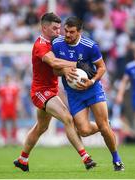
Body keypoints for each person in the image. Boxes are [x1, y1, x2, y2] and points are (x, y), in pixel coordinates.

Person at [13, 13, 96, 172]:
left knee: (41, 128)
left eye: (59, 28)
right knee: (67, 118)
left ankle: (23, 159)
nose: (59, 32)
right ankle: (86, 157)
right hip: (40, 92)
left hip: (51, 90)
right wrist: (78, 64)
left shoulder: (56, 43)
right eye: (55, 28)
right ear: (44, 28)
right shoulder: (41, 45)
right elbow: (53, 62)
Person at [52, 16, 124, 171]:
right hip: (73, 93)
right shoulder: (57, 44)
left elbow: (102, 68)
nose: (68, 35)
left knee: (104, 128)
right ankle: (104, 125)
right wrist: (64, 70)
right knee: (84, 131)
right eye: (66, 31)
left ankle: (117, 160)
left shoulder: (90, 46)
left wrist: (92, 81)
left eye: (71, 32)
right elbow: (54, 70)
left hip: (92, 89)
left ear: (80, 32)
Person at [0, 74, 20, 145]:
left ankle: (14, 138)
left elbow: (17, 98)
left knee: (14, 123)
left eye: (8, 78)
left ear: (10, 79)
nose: (7, 80)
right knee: (3, 123)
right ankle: (5, 139)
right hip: (4, 108)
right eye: (6, 78)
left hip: (12, 108)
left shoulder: (14, 88)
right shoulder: (1, 88)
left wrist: (18, 106)